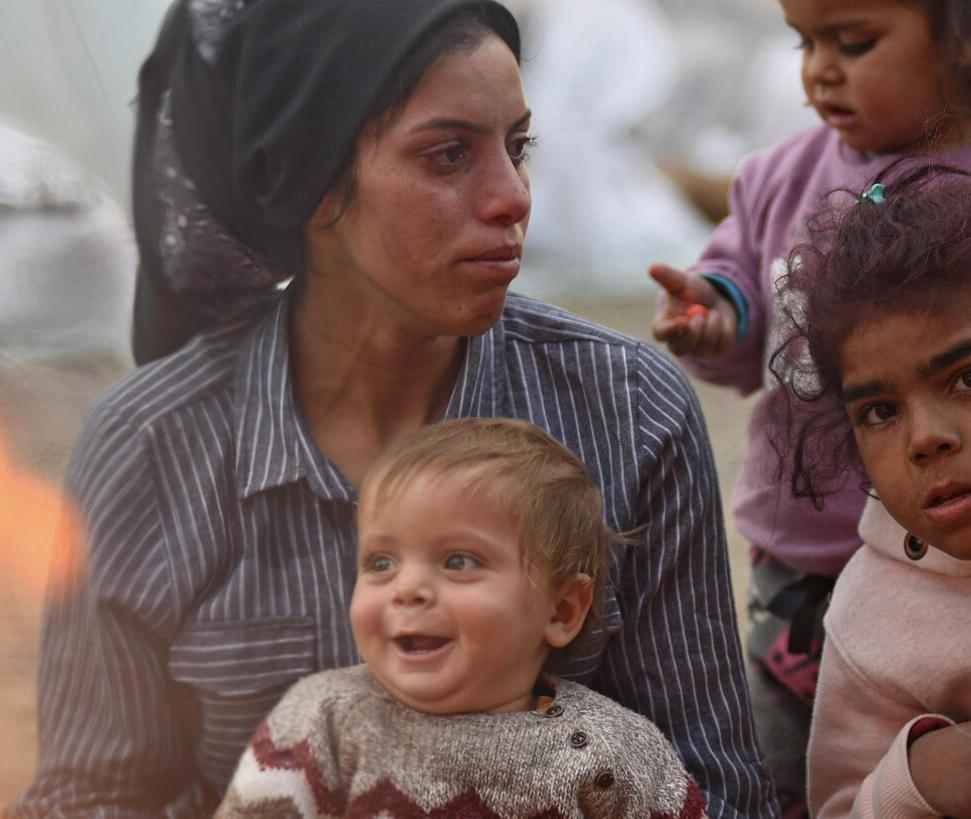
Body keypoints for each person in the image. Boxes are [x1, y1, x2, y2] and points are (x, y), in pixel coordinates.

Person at [9, 1, 777, 816]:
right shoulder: (150, 447)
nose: (513, 196)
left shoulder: (628, 412)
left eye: (518, 148)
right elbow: (94, 794)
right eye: (448, 154)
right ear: (307, 182)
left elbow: (716, 783)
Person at [647, 1, 971, 813]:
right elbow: (746, 295)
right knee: (791, 753)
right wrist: (716, 317)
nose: (819, 69)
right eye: (805, 41)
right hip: (801, 562)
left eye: (853, 42)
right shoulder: (778, 178)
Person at [215, 417, 709, 818]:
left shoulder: (616, 753)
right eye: (381, 562)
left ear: (560, 610)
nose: (407, 589)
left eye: (459, 561)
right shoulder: (320, 722)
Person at [774, 173, 971, 818]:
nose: (925, 439)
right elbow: (841, 807)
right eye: (880, 412)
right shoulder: (877, 621)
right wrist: (915, 780)